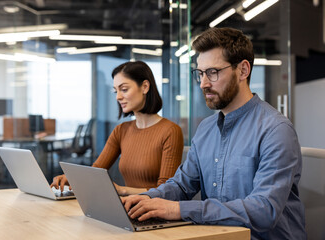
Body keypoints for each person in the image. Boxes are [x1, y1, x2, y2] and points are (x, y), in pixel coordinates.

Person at [122, 27, 306, 239]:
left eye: (213, 72)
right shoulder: (206, 129)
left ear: (243, 71)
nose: (203, 83)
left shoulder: (275, 130)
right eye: (200, 73)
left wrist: (178, 210)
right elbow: (182, 185)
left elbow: (264, 210)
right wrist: (145, 200)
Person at [51, 61, 184, 196]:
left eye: (124, 89)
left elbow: (167, 190)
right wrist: (73, 178)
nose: (118, 97)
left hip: (155, 212)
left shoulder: (170, 131)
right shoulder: (121, 130)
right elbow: (97, 170)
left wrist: (122, 190)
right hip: (128, 208)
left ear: (144, 87)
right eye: (116, 91)